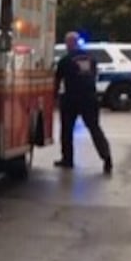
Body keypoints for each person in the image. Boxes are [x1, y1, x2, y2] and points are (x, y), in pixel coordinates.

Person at [54, 31, 113, 174]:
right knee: (94, 128)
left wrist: (54, 97)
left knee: (67, 130)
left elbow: (57, 80)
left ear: (69, 44)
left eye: (67, 43)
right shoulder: (91, 58)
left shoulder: (65, 60)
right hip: (90, 97)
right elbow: (93, 75)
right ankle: (107, 158)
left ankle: (68, 159)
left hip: (71, 98)